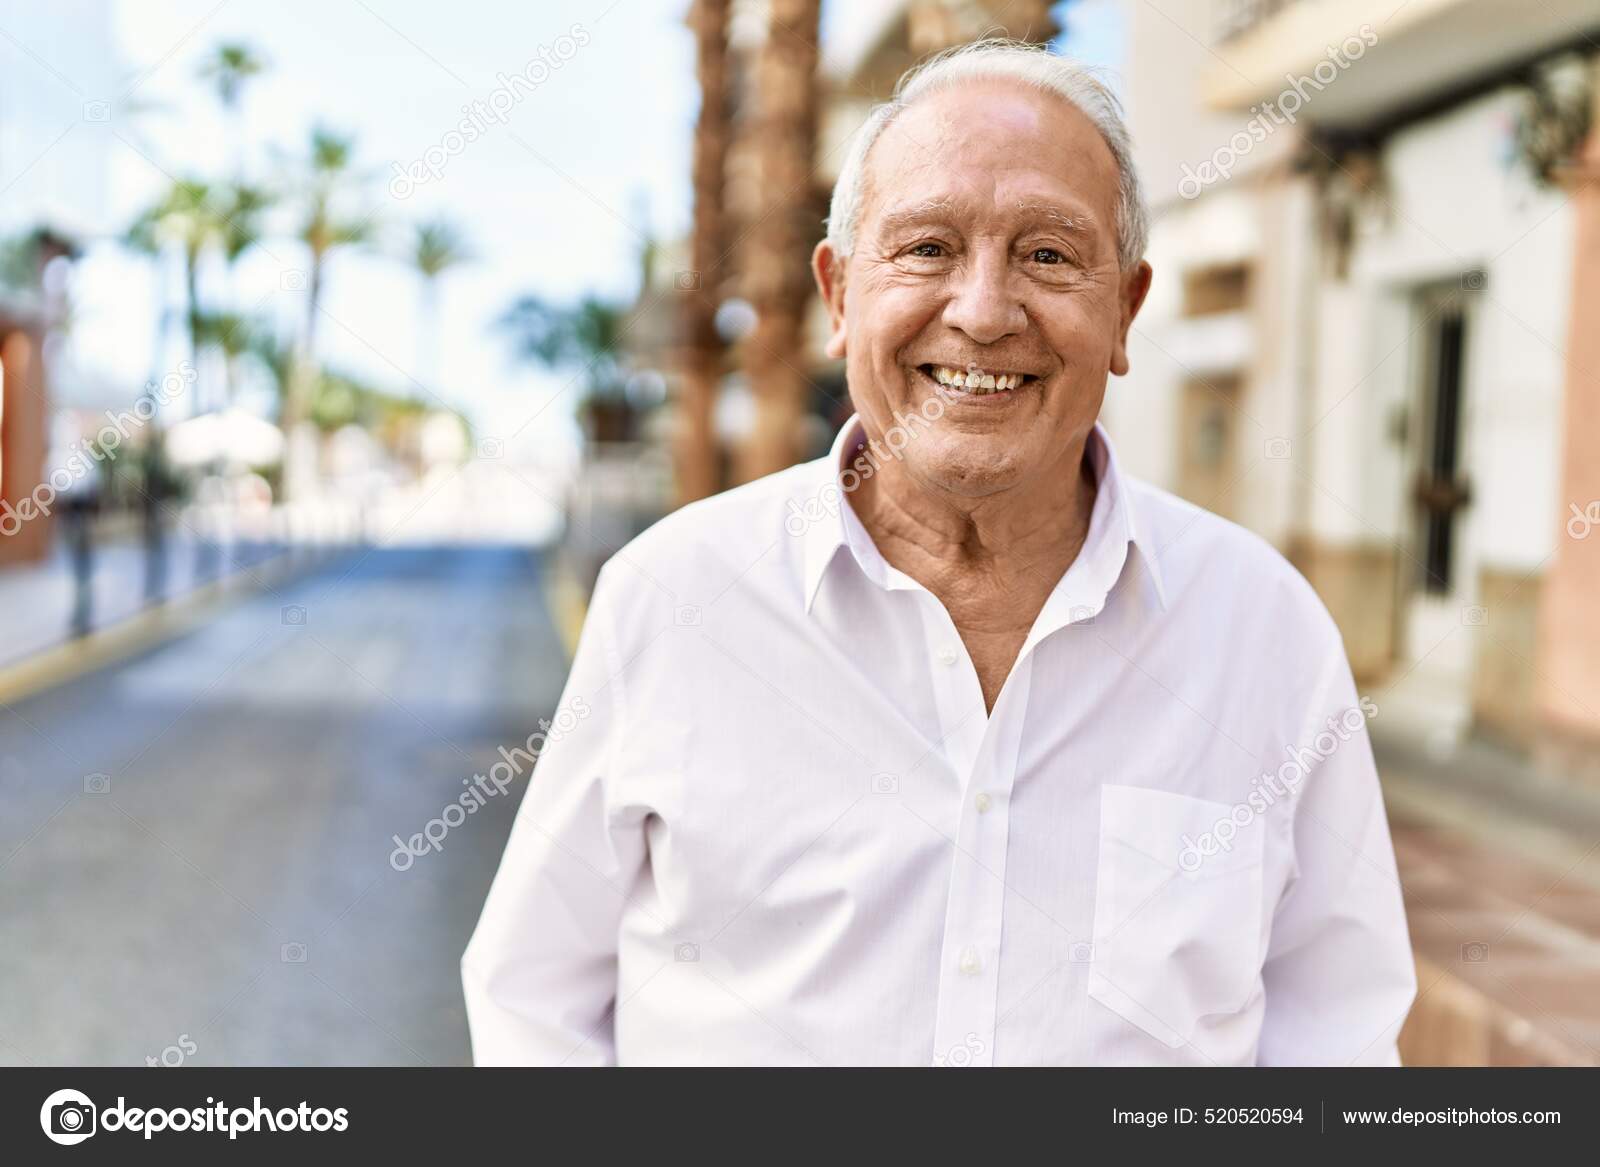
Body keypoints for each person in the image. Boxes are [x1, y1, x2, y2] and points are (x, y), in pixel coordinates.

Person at [463, 39, 1415, 1066]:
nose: (982, 311)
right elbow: (535, 1004)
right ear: (837, 295)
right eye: (926, 249)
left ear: (1126, 311)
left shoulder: (1261, 629)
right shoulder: (673, 594)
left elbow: (1337, 1035)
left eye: (1048, 254)